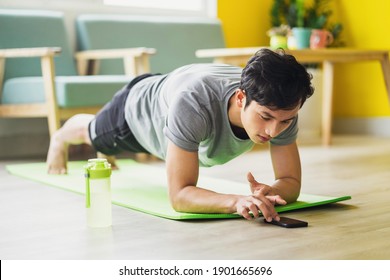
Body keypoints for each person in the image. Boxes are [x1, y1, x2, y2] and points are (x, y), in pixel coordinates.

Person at [46, 48, 314, 221]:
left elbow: (290, 180)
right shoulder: (194, 103)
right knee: (92, 133)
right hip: (138, 110)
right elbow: (179, 195)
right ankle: (60, 137)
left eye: (285, 121)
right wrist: (236, 201)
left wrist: (271, 192)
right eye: (265, 117)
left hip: (173, 92)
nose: (274, 130)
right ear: (241, 98)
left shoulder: (282, 106)